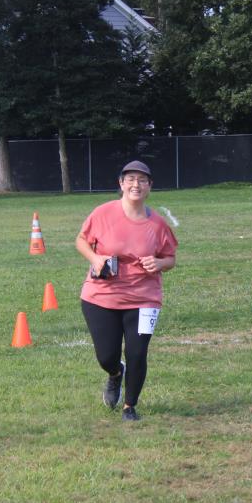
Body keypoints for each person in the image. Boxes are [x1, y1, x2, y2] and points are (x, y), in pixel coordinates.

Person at [75, 160, 177, 421]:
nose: (136, 184)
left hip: (144, 298)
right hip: (101, 295)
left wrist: (159, 263)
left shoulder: (158, 225)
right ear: (121, 184)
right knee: (106, 355)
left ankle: (129, 406)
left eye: (142, 180)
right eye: (130, 179)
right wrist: (95, 259)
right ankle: (115, 373)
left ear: (150, 186)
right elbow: (81, 241)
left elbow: (170, 258)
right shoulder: (103, 213)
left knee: (137, 353)